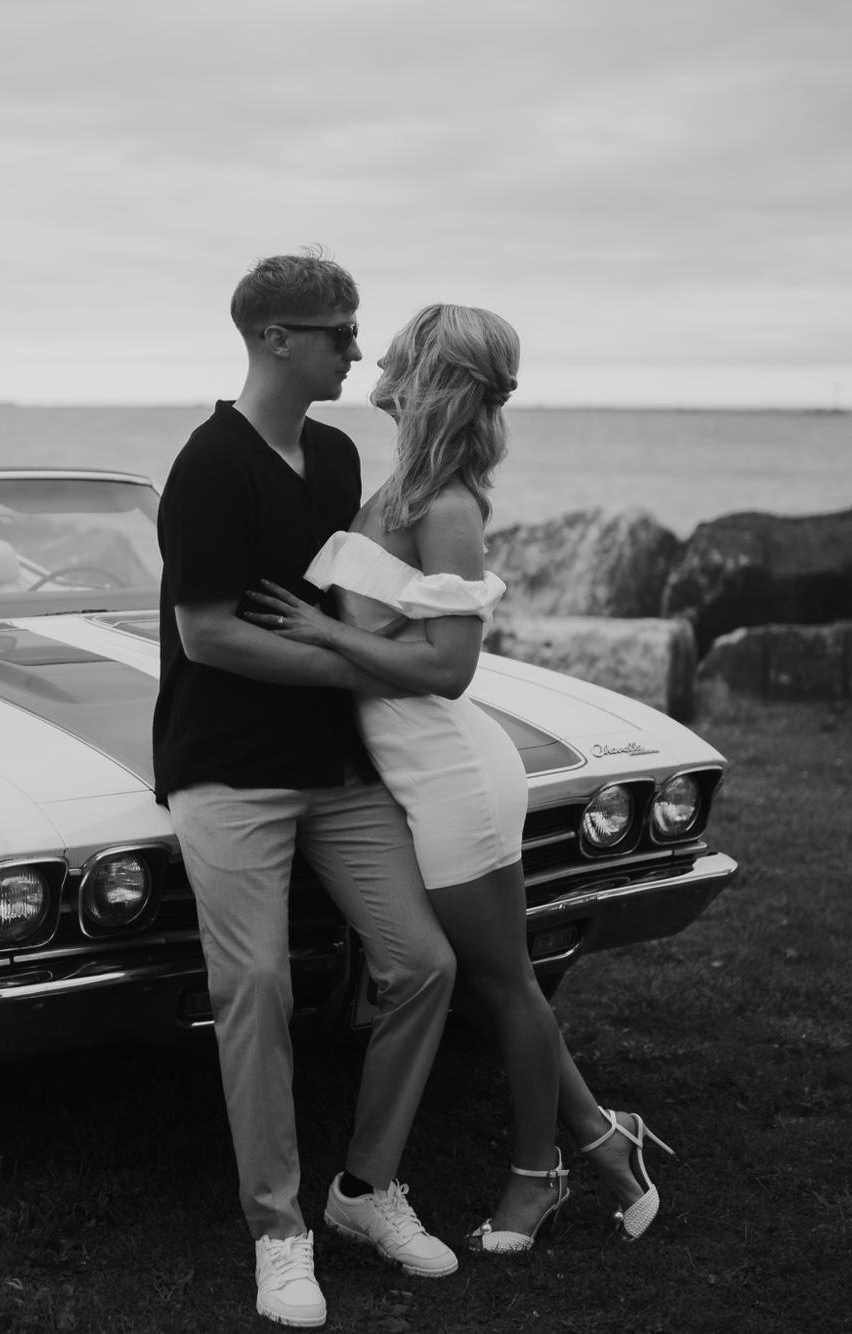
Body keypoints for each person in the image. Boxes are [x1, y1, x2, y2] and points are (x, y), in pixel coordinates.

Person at [245, 303, 677, 1253]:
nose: (374, 359)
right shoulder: (397, 489)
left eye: (396, 352)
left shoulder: (446, 508)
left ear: (428, 378)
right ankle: (605, 1140)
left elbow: (449, 668)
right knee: (495, 980)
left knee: (503, 987)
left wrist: (323, 634)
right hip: (416, 771)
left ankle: (536, 1178)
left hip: (452, 777)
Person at [154, 254, 459, 1328]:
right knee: (256, 986)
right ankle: (277, 1232)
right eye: (339, 331)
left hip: (334, 767)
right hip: (227, 768)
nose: (357, 349)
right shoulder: (207, 466)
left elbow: (348, 600)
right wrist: (355, 668)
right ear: (276, 338)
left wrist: (423, 631)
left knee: (423, 964)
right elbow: (208, 633)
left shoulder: (334, 455)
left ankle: (364, 1192)